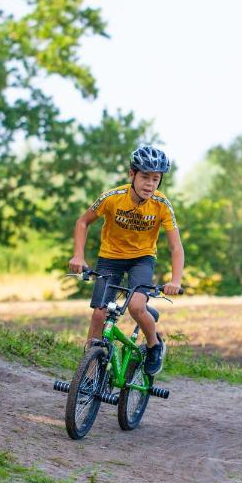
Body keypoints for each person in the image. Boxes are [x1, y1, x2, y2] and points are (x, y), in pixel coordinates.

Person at [69, 145, 184, 375]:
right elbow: (83, 222)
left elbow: (175, 245)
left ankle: (154, 345)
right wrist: (78, 255)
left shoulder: (162, 204)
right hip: (110, 258)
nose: (149, 184)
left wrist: (176, 280)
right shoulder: (113, 198)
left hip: (142, 259)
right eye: (144, 177)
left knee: (136, 306)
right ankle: (88, 371)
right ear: (132, 174)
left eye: (155, 179)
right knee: (99, 313)